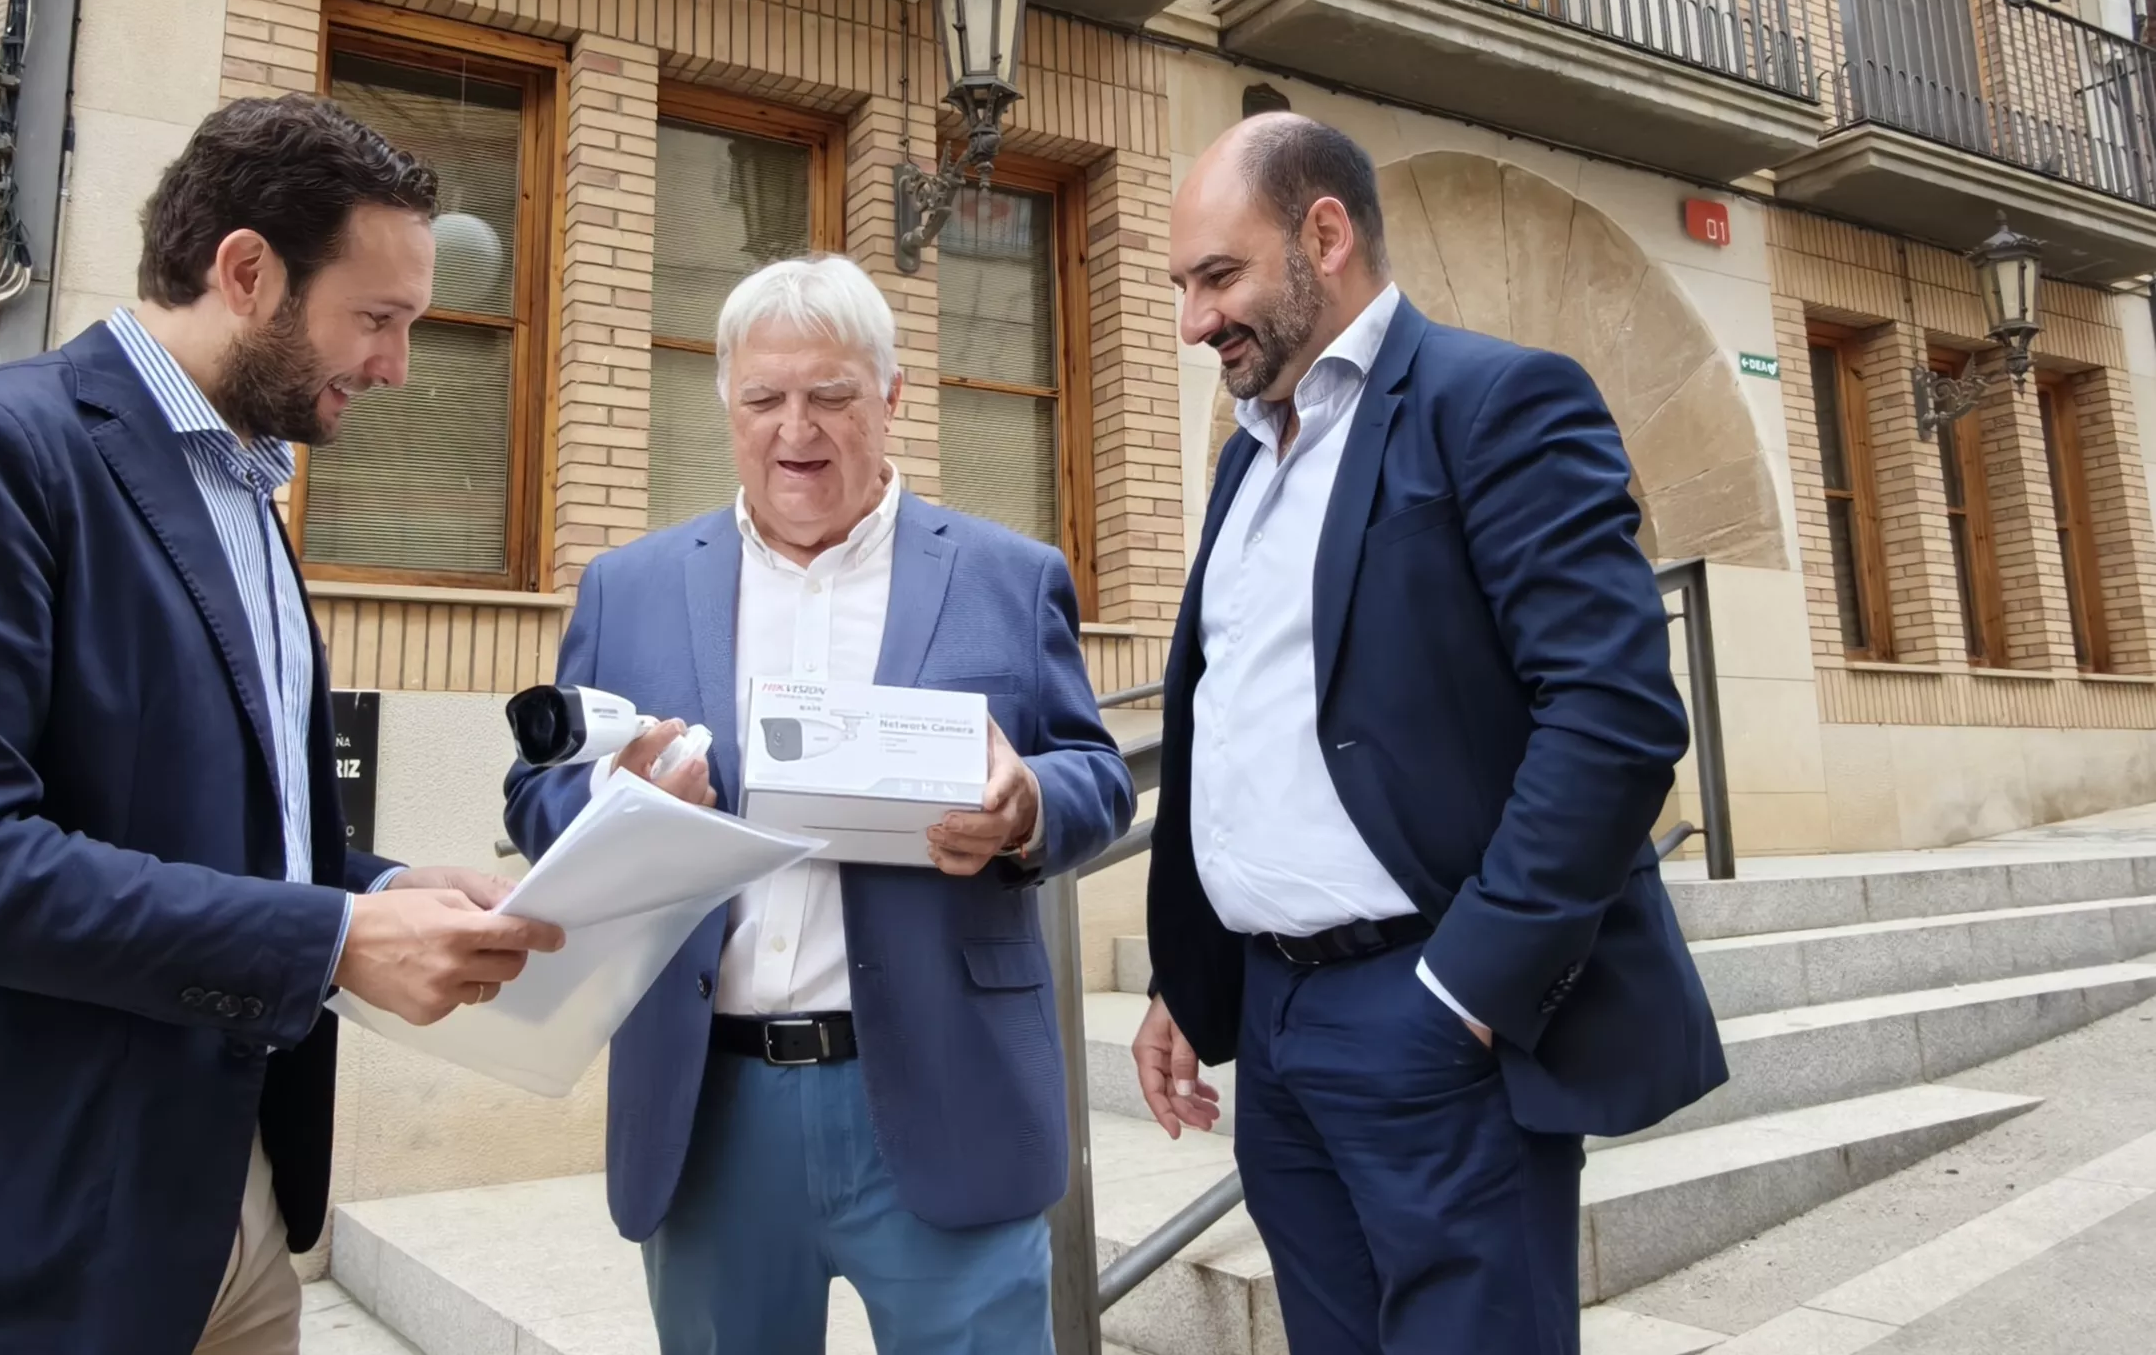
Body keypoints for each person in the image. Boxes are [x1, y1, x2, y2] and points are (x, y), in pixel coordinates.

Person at [0, 96, 564, 1355]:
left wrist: (381, 888)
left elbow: (203, 827)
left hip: (229, 1206)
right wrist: (332, 936)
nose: (394, 366)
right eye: (376, 319)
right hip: (3, 1228)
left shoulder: (246, 492)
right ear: (245, 271)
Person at [1130, 114, 1726, 1355]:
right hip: (1278, 1032)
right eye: (1183, 286)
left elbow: (1614, 715)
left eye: (1218, 277)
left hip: (1431, 1014)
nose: (1194, 321)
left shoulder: (1499, 402)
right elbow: (1248, 727)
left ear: (1326, 235)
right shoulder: (1246, 464)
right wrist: (1191, 978)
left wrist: (1465, 991)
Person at [503, 254, 1133, 1355]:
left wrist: (1027, 800)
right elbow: (534, 793)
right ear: (728, 407)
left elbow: (1097, 773)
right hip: (711, 1104)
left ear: (889, 398)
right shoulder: (631, 587)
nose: (798, 428)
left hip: (948, 1091)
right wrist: (613, 799)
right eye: (765, 399)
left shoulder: (1006, 575)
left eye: (833, 395)